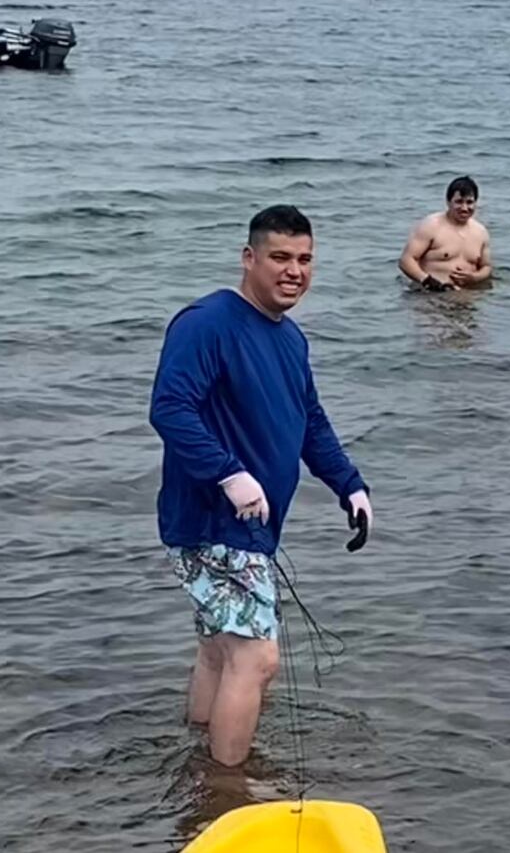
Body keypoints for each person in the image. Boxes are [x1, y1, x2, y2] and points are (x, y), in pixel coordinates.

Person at [149, 205, 372, 767]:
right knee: (256, 658)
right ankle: (229, 791)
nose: (294, 270)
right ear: (249, 259)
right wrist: (230, 474)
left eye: (304, 259)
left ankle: (200, 765)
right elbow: (170, 409)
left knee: (220, 653)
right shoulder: (206, 323)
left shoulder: (290, 339)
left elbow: (310, 422)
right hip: (211, 520)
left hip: (248, 528)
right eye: (280, 257)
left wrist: (349, 486)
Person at [398, 175, 492, 291]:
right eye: (459, 202)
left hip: (466, 298)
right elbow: (406, 260)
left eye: (469, 202)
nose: (464, 208)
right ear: (448, 202)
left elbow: (486, 267)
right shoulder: (430, 226)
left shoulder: (481, 232)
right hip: (431, 297)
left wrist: (474, 278)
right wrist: (428, 282)